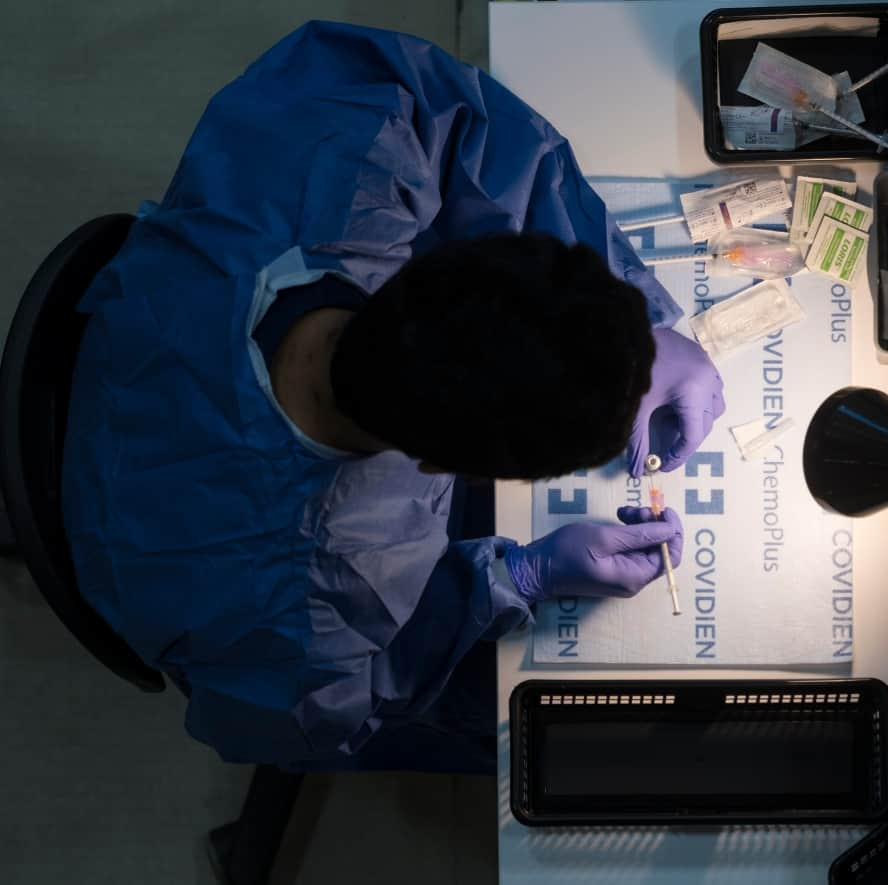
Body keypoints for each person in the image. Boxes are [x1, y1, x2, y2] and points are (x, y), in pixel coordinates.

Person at [61, 21, 724, 773]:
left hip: (138, 342)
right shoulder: (311, 614)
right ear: (442, 469)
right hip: (141, 547)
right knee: (492, 724)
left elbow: (459, 119)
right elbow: (294, 726)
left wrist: (642, 322)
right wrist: (512, 579)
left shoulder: (340, 154)